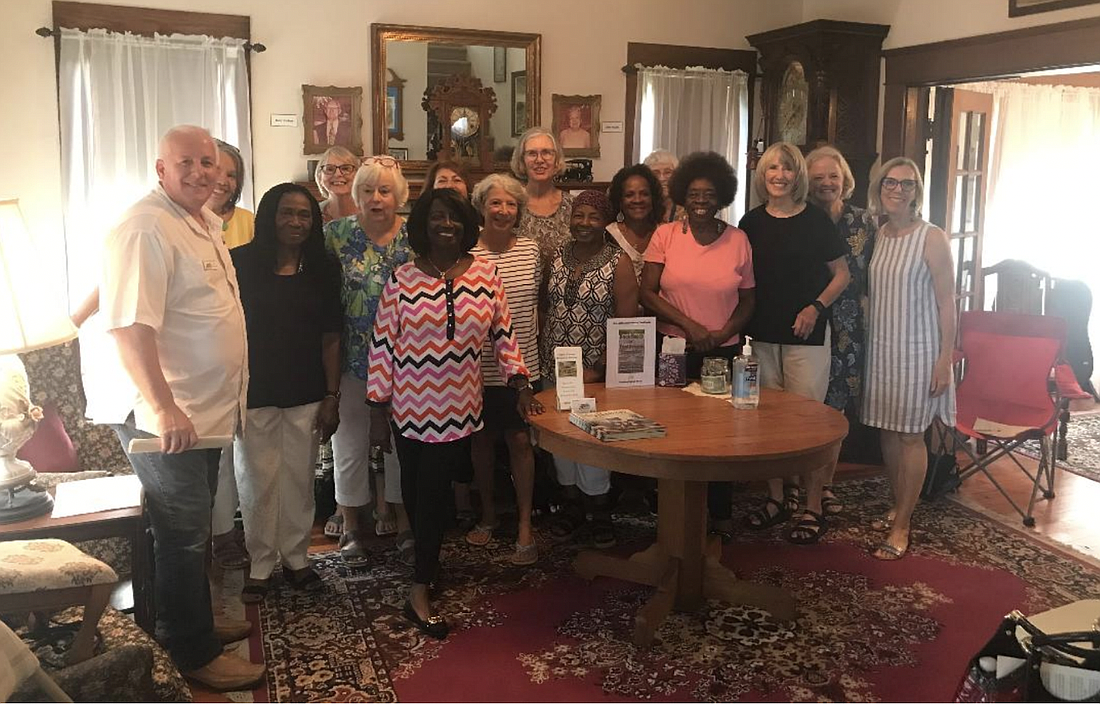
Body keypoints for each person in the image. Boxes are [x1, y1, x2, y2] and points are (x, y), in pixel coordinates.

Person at [89, 125, 264, 690]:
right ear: (160, 168)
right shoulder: (146, 225)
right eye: (185, 162)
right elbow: (129, 326)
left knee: (194, 526)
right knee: (182, 532)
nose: (200, 172)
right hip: (166, 413)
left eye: (208, 162)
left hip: (202, 411)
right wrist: (164, 409)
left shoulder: (200, 220)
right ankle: (192, 651)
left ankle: (193, 620)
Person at [367, 187, 541, 639]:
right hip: (407, 408)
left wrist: (520, 382)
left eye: (455, 218)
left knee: (434, 494)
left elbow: (504, 335)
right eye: (437, 217)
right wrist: (375, 409)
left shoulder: (486, 274)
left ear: (467, 225)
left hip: (460, 407)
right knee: (420, 491)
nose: (446, 225)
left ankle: (420, 584)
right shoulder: (402, 278)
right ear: (423, 225)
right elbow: (383, 347)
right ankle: (426, 568)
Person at [231, 183, 342, 603]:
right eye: (286, 213)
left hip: (306, 389)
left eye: (304, 215)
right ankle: (259, 564)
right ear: (269, 216)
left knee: (298, 478)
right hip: (253, 390)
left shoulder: (323, 268)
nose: (295, 222)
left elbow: (332, 335)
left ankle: (297, 560)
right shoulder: (239, 263)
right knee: (256, 479)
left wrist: (332, 395)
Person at [640, 152, 755, 541]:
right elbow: (647, 292)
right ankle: (672, 511)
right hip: (673, 347)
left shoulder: (739, 240)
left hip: (723, 352)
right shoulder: (666, 235)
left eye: (708, 194)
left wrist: (720, 335)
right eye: (693, 194)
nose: (701, 200)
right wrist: (690, 327)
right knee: (672, 430)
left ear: (721, 195)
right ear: (681, 196)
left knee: (720, 435)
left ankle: (719, 512)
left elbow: (749, 300)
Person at [739, 141, 850, 544]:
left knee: (809, 423)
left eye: (787, 169)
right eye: (772, 169)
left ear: (797, 176)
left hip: (806, 334)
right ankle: (776, 499)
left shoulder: (816, 221)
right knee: (766, 418)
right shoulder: (750, 223)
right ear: (762, 175)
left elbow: (842, 275)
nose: (780, 176)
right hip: (762, 334)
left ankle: (813, 506)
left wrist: (815, 307)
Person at [862, 157, 956, 561]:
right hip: (882, 350)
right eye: (891, 182)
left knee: (910, 436)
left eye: (908, 184)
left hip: (919, 352)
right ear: (878, 187)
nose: (898, 190)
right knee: (887, 431)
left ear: (918, 191)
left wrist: (945, 359)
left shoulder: (931, 237)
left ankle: (903, 524)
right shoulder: (879, 233)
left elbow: (947, 301)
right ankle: (898, 504)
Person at [324, 155, 414, 566]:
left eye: (384, 190)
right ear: (355, 195)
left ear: (399, 196)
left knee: (401, 443)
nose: (376, 198)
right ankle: (351, 526)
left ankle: (400, 518)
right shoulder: (335, 235)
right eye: (367, 190)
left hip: (407, 361)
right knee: (350, 443)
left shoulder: (415, 237)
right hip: (350, 358)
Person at [541, 190, 638, 548]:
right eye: (578, 216)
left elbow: (627, 325)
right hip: (555, 369)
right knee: (561, 442)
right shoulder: (557, 257)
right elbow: (544, 309)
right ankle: (571, 507)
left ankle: (600, 510)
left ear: (605, 222)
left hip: (596, 374)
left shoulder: (619, 263)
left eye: (593, 217)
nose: (584, 223)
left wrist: (600, 369)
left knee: (593, 443)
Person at [466, 174, 542, 564]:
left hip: (522, 368)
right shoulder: (468, 252)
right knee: (481, 443)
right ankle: (488, 515)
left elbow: (536, 307)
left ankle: (526, 523)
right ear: (481, 207)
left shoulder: (530, 250)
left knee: (519, 443)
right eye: (496, 203)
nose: (503, 211)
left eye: (511, 204)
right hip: (475, 370)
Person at [806, 145, 878, 516]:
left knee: (836, 408)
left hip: (850, 323)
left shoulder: (865, 222)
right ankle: (798, 485)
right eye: (817, 177)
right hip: (807, 321)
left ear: (844, 179)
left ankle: (825, 485)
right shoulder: (799, 218)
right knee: (805, 404)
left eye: (832, 176)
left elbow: (877, 274)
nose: (825, 183)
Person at [207, 138, 254, 571]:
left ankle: (246, 527)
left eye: (231, 172)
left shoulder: (250, 222)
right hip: (206, 354)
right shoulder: (180, 224)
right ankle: (222, 534)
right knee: (218, 449)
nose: (222, 179)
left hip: (251, 348)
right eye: (215, 169)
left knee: (248, 447)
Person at [512, 127, 574, 269]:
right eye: (532, 153)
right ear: (522, 161)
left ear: (557, 160)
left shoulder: (573, 205)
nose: (539, 160)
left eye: (546, 153)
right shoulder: (511, 203)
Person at [607, 164, 663, 280]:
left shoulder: (664, 234)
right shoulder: (608, 235)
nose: (637, 200)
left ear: (653, 198)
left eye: (644, 194)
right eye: (629, 195)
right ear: (620, 200)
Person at [315, 146, 361, 224]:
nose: (337, 174)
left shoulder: (372, 213)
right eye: (329, 169)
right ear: (319, 177)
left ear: (359, 175)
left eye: (346, 168)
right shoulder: (313, 214)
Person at [644, 149, 681, 223]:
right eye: (656, 173)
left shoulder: (686, 209)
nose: (662, 178)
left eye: (668, 172)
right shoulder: (642, 208)